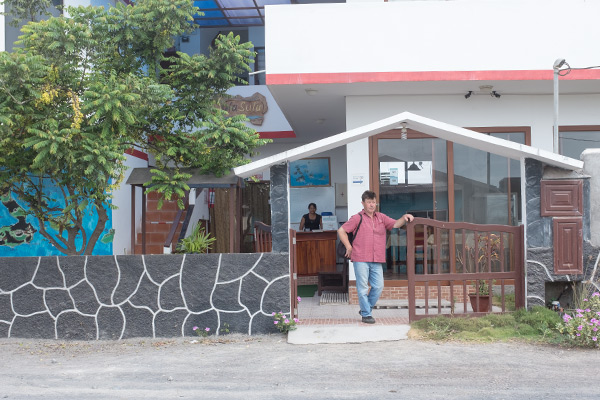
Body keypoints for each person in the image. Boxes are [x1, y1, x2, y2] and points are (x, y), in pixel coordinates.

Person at [338, 190, 414, 324]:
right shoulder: (357, 218)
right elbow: (341, 230)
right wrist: (349, 247)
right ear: (363, 203)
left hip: (377, 258)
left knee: (378, 286)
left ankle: (365, 308)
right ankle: (366, 314)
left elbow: (395, 224)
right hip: (360, 258)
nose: (372, 205)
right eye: (369, 202)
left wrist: (404, 217)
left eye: (373, 202)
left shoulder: (381, 217)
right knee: (362, 288)